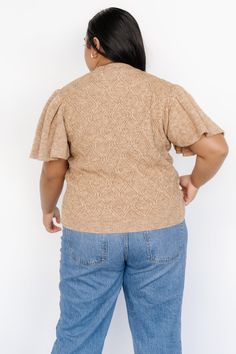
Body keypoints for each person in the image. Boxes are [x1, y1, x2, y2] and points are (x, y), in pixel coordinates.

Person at [29, 7, 229, 354]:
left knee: (77, 339)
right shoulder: (163, 93)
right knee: (160, 341)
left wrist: (48, 209)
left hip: (90, 232)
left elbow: (52, 170)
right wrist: (194, 181)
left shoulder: (68, 97)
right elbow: (216, 149)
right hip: (160, 230)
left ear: (94, 45)